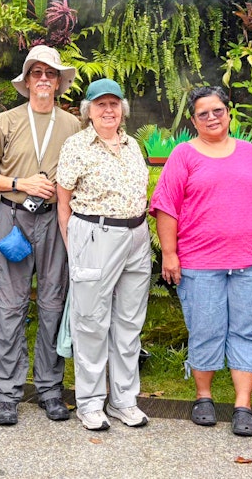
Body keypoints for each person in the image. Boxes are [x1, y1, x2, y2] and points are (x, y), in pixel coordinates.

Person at [149, 86, 252, 437]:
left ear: (228, 112)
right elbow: (166, 206)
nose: (212, 118)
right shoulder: (184, 155)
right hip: (200, 262)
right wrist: (170, 254)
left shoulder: (251, 153)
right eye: (203, 114)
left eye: (217, 110)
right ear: (193, 120)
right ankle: (203, 396)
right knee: (205, 328)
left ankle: (242, 404)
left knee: (246, 331)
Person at [0, 46, 81, 426]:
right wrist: (22, 183)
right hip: (14, 219)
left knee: (54, 304)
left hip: (55, 222)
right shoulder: (5, 121)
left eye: (49, 73)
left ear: (58, 82)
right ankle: (7, 392)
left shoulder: (72, 125)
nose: (42, 79)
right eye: (36, 72)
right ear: (27, 80)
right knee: (10, 306)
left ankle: (51, 389)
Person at [56, 78, 151, 432]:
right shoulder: (77, 146)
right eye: (100, 105)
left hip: (137, 237)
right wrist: (74, 247)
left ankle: (124, 400)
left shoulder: (132, 145)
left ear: (122, 109)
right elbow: (63, 202)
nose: (108, 110)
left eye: (114, 104)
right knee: (92, 322)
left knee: (128, 323)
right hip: (95, 234)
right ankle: (91, 403)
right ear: (88, 111)